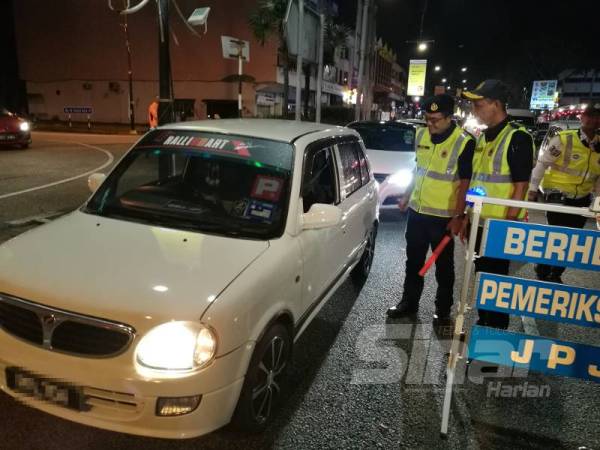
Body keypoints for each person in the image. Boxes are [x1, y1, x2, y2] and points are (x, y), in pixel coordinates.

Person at [387, 94, 475, 324]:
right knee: (413, 261)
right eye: (427, 118)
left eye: (436, 119)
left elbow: (465, 183)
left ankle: (443, 310)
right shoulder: (421, 134)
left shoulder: (463, 141)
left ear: (449, 118)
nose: (430, 124)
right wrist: (406, 196)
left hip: (443, 217)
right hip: (417, 214)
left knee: (443, 267)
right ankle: (409, 302)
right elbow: (419, 170)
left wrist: (459, 215)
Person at [461, 80, 535, 330]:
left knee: (495, 288)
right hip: (479, 224)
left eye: (479, 105)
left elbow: (520, 187)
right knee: (482, 283)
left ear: (496, 104)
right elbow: (477, 181)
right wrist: (467, 217)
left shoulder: (517, 138)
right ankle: (484, 331)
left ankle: (494, 344)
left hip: (499, 227)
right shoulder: (484, 138)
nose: (475, 111)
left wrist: (507, 228)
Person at [528, 104, 600, 283]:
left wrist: (597, 201)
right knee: (556, 236)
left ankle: (556, 273)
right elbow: (542, 163)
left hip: (582, 199)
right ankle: (543, 270)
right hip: (558, 195)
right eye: (589, 116)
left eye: (597, 117)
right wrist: (532, 189)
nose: (592, 120)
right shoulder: (564, 138)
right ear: (582, 118)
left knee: (573, 240)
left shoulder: (599, 145)